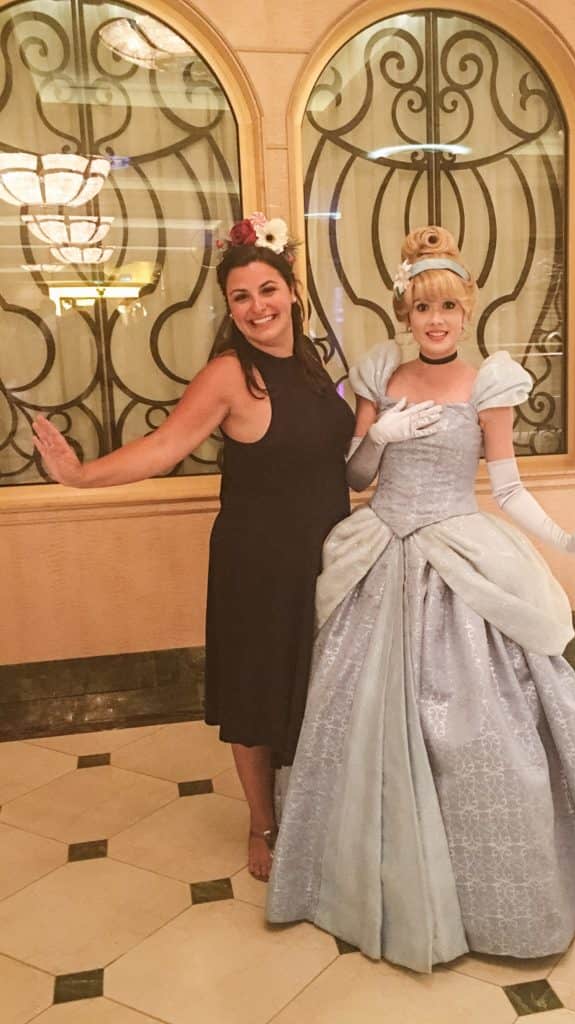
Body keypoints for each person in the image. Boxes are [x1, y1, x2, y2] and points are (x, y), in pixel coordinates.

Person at [267, 226, 575, 971]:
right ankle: (357, 879)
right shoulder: (384, 373)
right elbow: (354, 477)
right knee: (355, 716)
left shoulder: (491, 382)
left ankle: (490, 893)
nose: (434, 319)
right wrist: (383, 435)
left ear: (466, 309)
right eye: (420, 308)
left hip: (455, 549)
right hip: (381, 548)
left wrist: (566, 541)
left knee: (483, 728)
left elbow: (505, 486)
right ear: (405, 316)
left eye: (446, 305)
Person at [32, 214, 355, 882]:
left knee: (317, 687)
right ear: (230, 308)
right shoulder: (231, 375)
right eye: (241, 297)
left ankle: (318, 807)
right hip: (257, 564)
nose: (257, 307)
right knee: (255, 693)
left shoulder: (313, 363)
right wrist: (81, 475)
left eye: (267, 290)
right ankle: (262, 823)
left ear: (292, 291)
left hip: (327, 558)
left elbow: (343, 462)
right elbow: (162, 447)